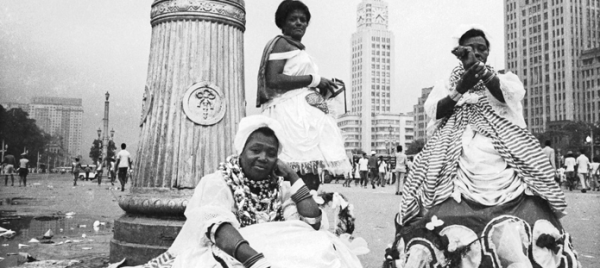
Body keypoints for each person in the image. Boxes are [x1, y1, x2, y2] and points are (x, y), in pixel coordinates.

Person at [386, 25, 578, 268]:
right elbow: (436, 111)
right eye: (471, 48)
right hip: (453, 145)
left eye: (482, 48)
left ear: (488, 52)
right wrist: (461, 87)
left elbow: (505, 95)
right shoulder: (447, 83)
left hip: (500, 145)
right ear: (459, 51)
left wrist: (480, 73)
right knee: (429, 192)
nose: (477, 52)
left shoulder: (503, 78)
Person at [133, 115, 363, 268]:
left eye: (271, 153)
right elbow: (218, 228)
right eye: (256, 150)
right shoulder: (217, 182)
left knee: (321, 241)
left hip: (274, 253)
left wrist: (293, 177)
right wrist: (255, 261)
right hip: (233, 254)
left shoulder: (281, 186)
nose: (263, 158)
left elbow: (311, 222)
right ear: (241, 150)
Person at [257, 0, 352, 191]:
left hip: (303, 115)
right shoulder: (281, 44)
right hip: (289, 114)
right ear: (282, 23)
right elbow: (273, 79)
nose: (299, 23)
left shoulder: (298, 48)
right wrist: (314, 80)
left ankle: (309, 211)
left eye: (303, 20)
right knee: (293, 171)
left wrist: (322, 88)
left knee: (309, 173)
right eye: (293, 19)